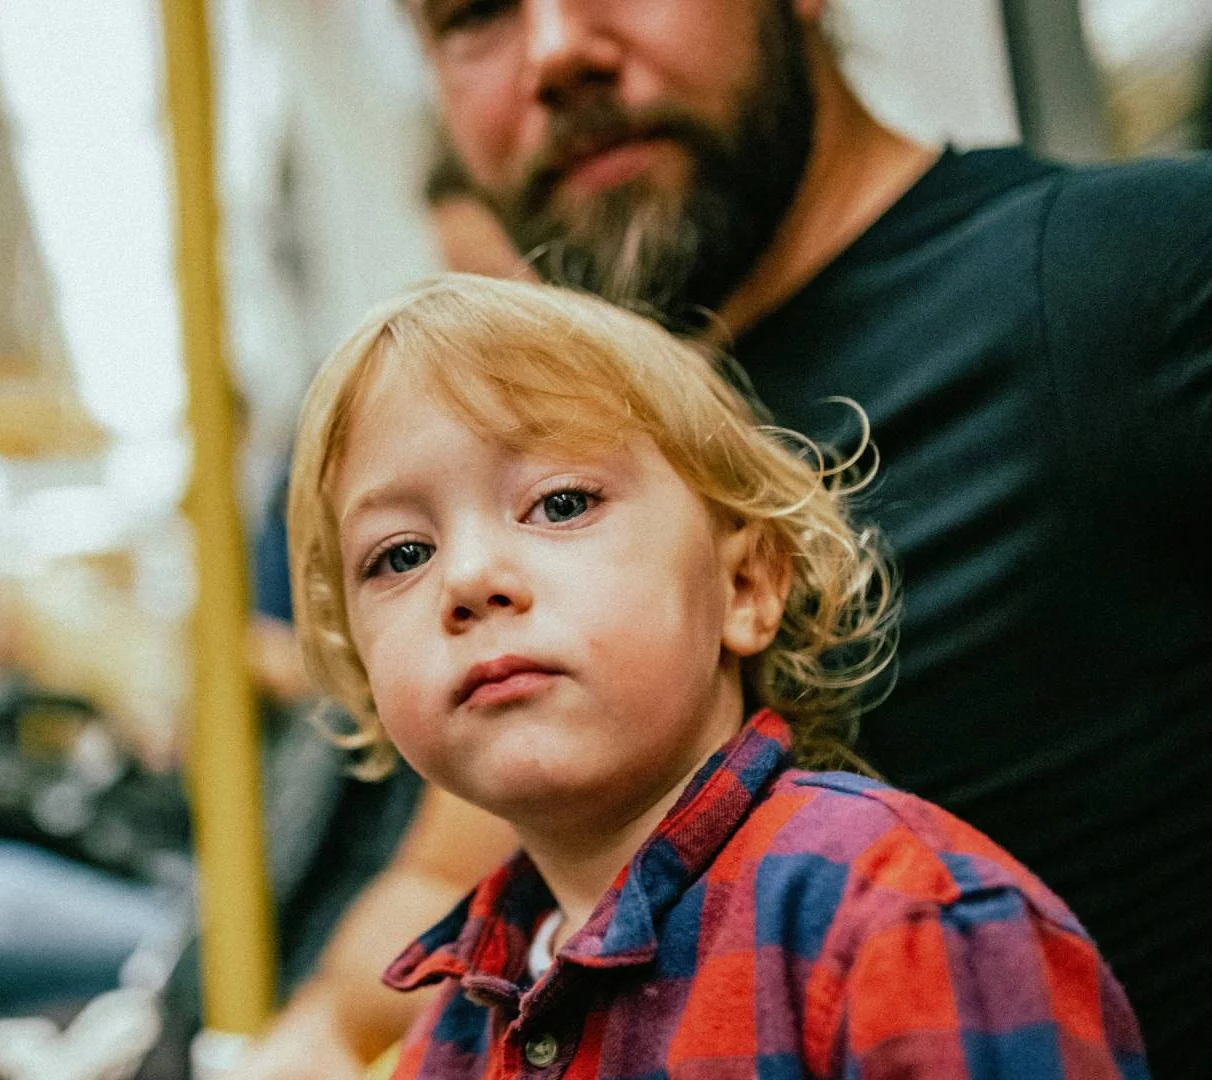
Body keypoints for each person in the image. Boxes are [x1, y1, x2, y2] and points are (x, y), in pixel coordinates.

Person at [234, 2, 1212, 1076]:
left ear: (753, 576)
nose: (556, 50)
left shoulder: (1139, 279)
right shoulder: (584, 451)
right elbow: (421, 914)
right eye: (475, 14)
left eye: (563, 505)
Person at [294, 273, 1148, 1078]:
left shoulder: (908, 925)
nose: (469, 578)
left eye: (561, 502)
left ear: (744, 587)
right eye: (401, 555)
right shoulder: (452, 1028)